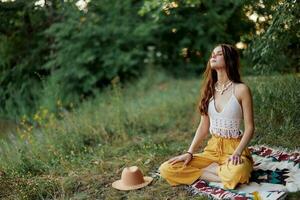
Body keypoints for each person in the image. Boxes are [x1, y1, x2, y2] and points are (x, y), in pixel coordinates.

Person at [158, 44, 255, 190]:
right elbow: (203, 126)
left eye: (219, 54)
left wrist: (237, 152)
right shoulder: (209, 90)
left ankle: (211, 172)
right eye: (212, 54)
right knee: (166, 168)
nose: (213, 56)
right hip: (212, 149)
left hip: (234, 148)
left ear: (229, 60)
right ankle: (211, 172)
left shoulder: (241, 90)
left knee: (237, 173)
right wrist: (189, 152)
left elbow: (250, 128)